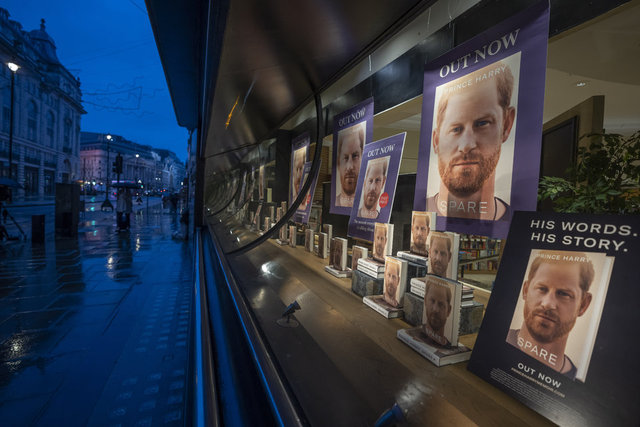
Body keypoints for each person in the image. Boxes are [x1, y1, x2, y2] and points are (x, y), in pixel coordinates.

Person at [427, 61, 516, 221]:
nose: (466, 145)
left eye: (482, 123)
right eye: (456, 129)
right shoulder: (420, 214)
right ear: (436, 141)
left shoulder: (516, 226)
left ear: (507, 125)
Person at [506, 251, 594, 380]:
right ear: (525, 290)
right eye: (542, 288)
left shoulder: (578, 384)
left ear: (583, 305)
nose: (547, 304)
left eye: (564, 294)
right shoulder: (494, 339)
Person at [335, 125, 364, 207]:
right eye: (345, 158)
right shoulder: (334, 204)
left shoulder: (365, 209)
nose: (350, 167)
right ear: (338, 163)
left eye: (355, 156)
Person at [422, 279, 452, 346]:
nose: (435, 309)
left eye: (441, 304)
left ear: (448, 310)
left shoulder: (451, 347)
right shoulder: (414, 334)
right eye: (432, 301)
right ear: (425, 300)